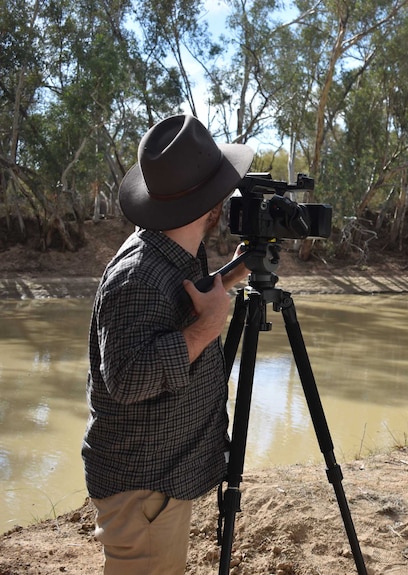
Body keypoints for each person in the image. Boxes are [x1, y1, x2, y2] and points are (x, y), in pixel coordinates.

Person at [82, 114, 254, 574]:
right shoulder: (137, 276)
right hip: (142, 490)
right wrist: (207, 328)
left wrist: (228, 278)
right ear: (210, 205)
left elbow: (179, 308)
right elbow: (130, 378)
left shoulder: (172, 251)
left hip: (157, 481)